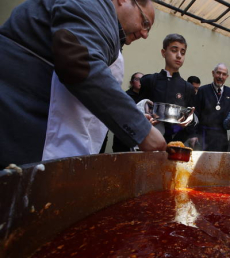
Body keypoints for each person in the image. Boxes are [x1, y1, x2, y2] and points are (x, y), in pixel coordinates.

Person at [0, 0, 166, 168]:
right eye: (145, 23)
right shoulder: (92, 3)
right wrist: (142, 131)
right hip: (16, 132)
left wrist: (131, 115)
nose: (145, 34)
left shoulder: (103, 25)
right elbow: (81, 64)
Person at [138, 34, 196, 144]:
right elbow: (138, 109)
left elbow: (192, 119)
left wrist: (188, 121)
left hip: (176, 142)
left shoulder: (188, 88)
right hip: (150, 139)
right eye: (174, 50)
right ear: (163, 52)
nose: (179, 56)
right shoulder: (149, 81)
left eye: (183, 52)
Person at [191, 63, 230, 151]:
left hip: (221, 137)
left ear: (227, 76)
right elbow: (195, 114)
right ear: (213, 73)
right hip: (203, 136)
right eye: (218, 73)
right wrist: (193, 135)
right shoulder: (202, 90)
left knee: (219, 163)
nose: (220, 76)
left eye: (224, 74)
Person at [112, 72, 145, 153]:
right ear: (131, 82)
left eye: (143, 80)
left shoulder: (147, 97)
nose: (141, 82)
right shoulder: (125, 96)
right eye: (137, 79)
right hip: (123, 136)